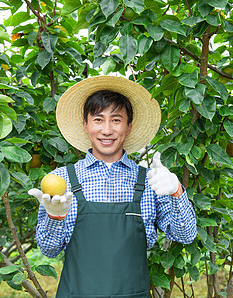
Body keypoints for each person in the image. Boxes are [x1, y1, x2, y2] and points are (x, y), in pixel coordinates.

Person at [28, 76, 197, 298]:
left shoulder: (150, 182)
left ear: (129, 127)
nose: (107, 130)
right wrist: (55, 218)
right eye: (98, 119)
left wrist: (176, 191)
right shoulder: (62, 180)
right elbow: (49, 250)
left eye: (116, 120)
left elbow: (185, 235)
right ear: (85, 125)